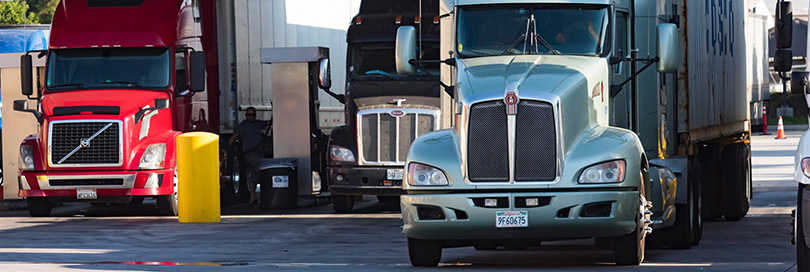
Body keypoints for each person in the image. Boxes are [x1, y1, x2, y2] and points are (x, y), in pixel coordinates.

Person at [228, 107, 268, 205]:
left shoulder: (258, 124)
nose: (251, 117)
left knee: (254, 175)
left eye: (253, 114)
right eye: (249, 115)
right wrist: (228, 147)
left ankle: (253, 196)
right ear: (246, 116)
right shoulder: (243, 126)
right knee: (258, 174)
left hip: (258, 152)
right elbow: (234, 136)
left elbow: (268, 123)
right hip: (250, 153)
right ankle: (256, 196)